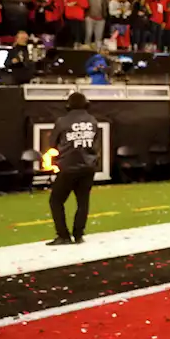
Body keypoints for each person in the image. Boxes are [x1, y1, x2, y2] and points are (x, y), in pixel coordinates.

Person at [44, 92, 100, 246]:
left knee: (56, 201)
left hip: (68, 166)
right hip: (88, 166)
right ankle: (79, 235)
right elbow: (95, 144)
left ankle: (63, 236)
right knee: (83, 202)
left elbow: (52, 144)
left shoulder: (62, 122)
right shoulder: (93, 121)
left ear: (68, 106)